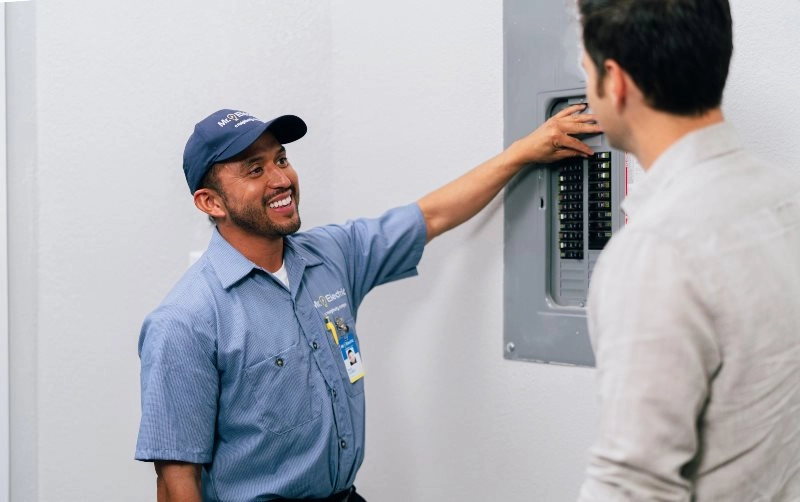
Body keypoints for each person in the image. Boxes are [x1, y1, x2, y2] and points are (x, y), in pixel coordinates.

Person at [136, 105, 600, 501]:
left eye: (281, 159)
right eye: (255, 169)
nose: (281, 179)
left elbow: (432, 214)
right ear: (210, 202)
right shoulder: (186, 320)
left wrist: (524, 151)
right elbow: (176, 479)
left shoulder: (331, 257)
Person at [576, 1, 800, 500]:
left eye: (586, 70)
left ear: (615, 82)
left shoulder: (657, 252)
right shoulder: (787, 201)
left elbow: (630, 486)